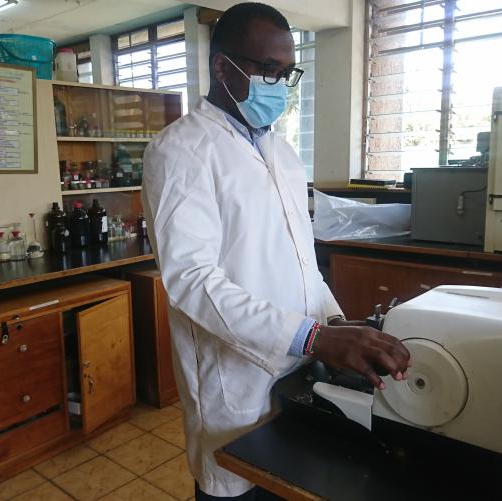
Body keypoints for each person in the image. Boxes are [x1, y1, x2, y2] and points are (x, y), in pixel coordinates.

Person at [141, 3, 411, 499]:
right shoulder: (180, 150)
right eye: (268, 69)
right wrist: (312, 338)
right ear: (222, 67)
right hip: (235, 381)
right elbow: (192, 283)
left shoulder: (281, 151)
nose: (279, 85)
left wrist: (332, 323)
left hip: (298, 366)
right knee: (241, 483)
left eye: (288, 73)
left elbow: (300, 260)